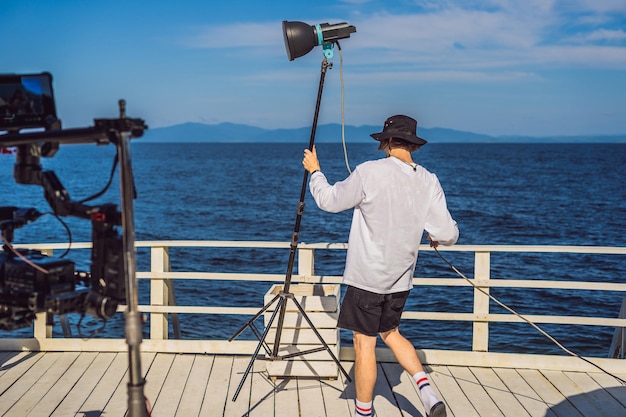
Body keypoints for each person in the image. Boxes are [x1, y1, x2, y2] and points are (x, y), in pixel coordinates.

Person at [302, 114, 458, 417]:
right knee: (391, 333)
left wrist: (315, 172)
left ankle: (364, 413)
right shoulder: (429, 179)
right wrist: (435, 236)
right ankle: (428, 394)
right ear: (413, 144)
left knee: (364, 346)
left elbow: (330, 201)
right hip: (400, 281)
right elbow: (448, 233)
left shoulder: (369, 172)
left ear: (386, 142)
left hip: (367, 279)